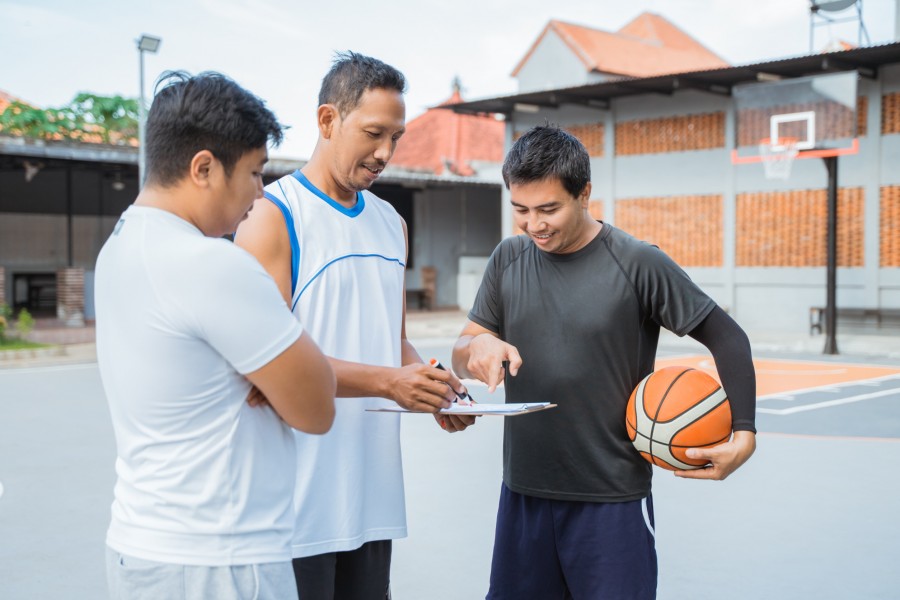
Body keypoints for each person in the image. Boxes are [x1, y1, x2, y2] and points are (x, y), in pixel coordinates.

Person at [451, 125, 757, 599]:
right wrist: (479, 346)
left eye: (549, 208)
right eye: (521, 210)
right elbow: (463, 346)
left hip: (611, 500)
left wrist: (744, 436)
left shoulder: (636, 263)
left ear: (585, 193)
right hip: (523, 494)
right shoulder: (508, 258)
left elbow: (728, 338)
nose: (535, 225)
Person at [234, 51, 474, 600]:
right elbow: (263, 370)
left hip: (370, 494)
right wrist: (391, 383)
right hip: (294, 505)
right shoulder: (273, 215)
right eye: (372, 133)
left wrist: (433, 384)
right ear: (327, 121)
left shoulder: (391, 223)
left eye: (397, 136)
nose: (385, 152)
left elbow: (393, 339)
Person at [95, 71, 337, 599]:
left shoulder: (120, 245)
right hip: (218, 561)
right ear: (203, 167)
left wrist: (266, 375)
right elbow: (317, 406)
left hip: (143, 547)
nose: (261, 191)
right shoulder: (212, 264)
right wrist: (276, 375)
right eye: (254, 172)